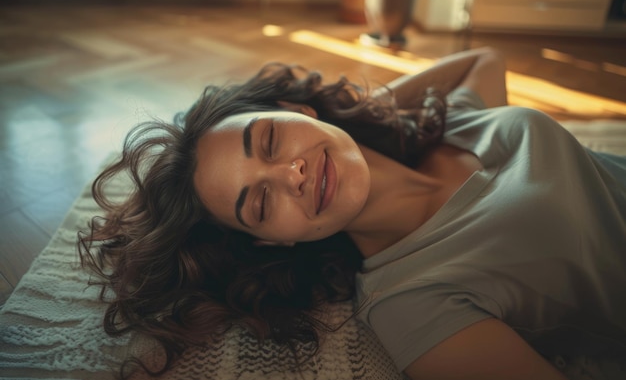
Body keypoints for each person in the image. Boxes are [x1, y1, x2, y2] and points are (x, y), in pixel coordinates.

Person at [79, 47, 626, 380]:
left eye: (270, 139)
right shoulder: (410, 301)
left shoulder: (452, 124)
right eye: (261, 203)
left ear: (296, 109)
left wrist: (359, 112)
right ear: (274, 242)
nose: (290, 175)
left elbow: (482, 60)